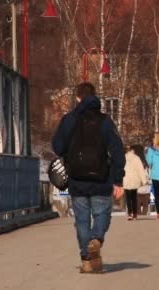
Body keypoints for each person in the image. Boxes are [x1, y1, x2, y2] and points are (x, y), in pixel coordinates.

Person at [52, 82, 125, 273]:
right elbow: (117, 151)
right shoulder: (105, 121)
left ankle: (86, 260)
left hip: (77, 180)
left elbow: (58, 147)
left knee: (82, 220)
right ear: (95, 97)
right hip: (101, 179)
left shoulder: (69, 120)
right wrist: (118, 179)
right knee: (101, 215)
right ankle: (96, 239)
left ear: (77, 98)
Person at [123, 145, 148, 220]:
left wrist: (118, 180)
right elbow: (140, 170)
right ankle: (135, 214)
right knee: (134, 198)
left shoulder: (123, 158)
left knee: (128, 198)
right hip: (135, 180)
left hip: (126, 179)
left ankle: (129, 213)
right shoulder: (136, 158)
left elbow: (120, 169)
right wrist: (144, 180)